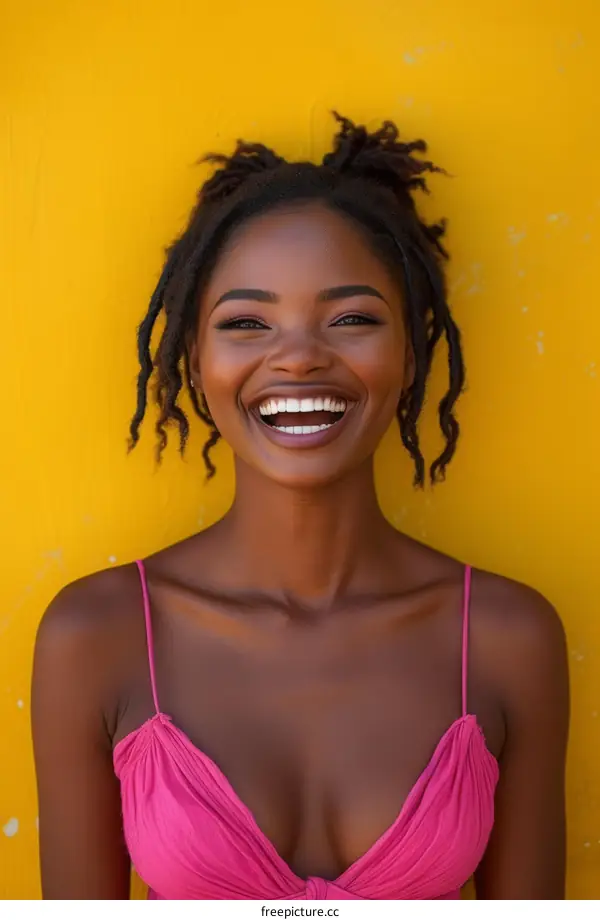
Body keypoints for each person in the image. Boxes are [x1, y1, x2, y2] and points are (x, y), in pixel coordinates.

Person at [32, 113, 569, 900]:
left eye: (351, 319)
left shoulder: (507, 637)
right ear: (194, 359)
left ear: (411, 352)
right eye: (246, 323)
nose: (298, 357)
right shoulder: (96, 636)